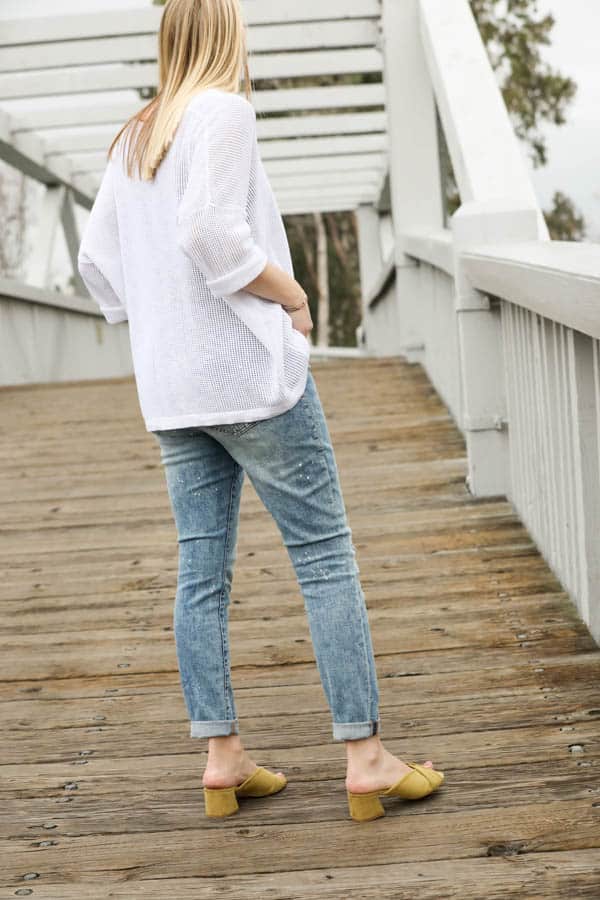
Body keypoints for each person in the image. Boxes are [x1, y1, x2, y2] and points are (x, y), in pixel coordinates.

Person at [77, 0, 443, 823]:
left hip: (174, 392)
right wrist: (293, 292)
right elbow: (211, 233)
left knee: (200, 571)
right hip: (247, 377)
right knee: (324, 556)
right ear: (227, 33)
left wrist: (163, 322)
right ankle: (367, 759)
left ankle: (223, 760)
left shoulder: (137, 134)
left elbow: (96, 262)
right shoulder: (226, 111)